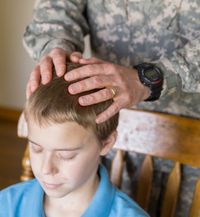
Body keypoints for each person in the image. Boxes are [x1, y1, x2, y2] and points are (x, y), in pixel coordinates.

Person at [23, 1, 200, 216]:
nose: (45, 169)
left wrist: (152, 77)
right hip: (99, 131)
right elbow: (58, 7)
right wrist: (57, 49)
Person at [0, 63, 149, 217]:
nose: (46, 169)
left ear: (106, 143)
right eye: (36, 148)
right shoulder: (6, 205)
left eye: (66, 155)